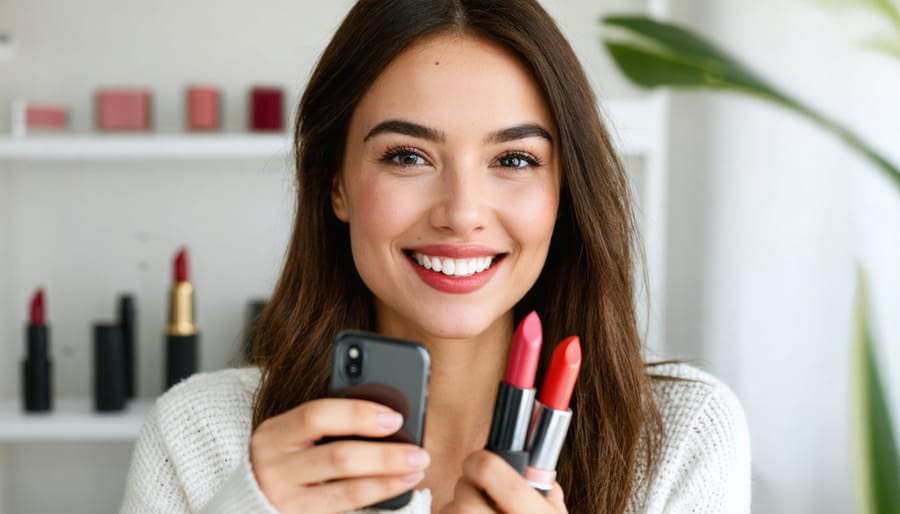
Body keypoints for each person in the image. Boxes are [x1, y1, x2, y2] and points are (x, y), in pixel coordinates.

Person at [120, 1, 751, 513]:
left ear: (565, 192)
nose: (461, 211)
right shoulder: (200, 436)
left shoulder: (683, 437)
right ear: (334, 183)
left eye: (514, 160)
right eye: (406, 156)